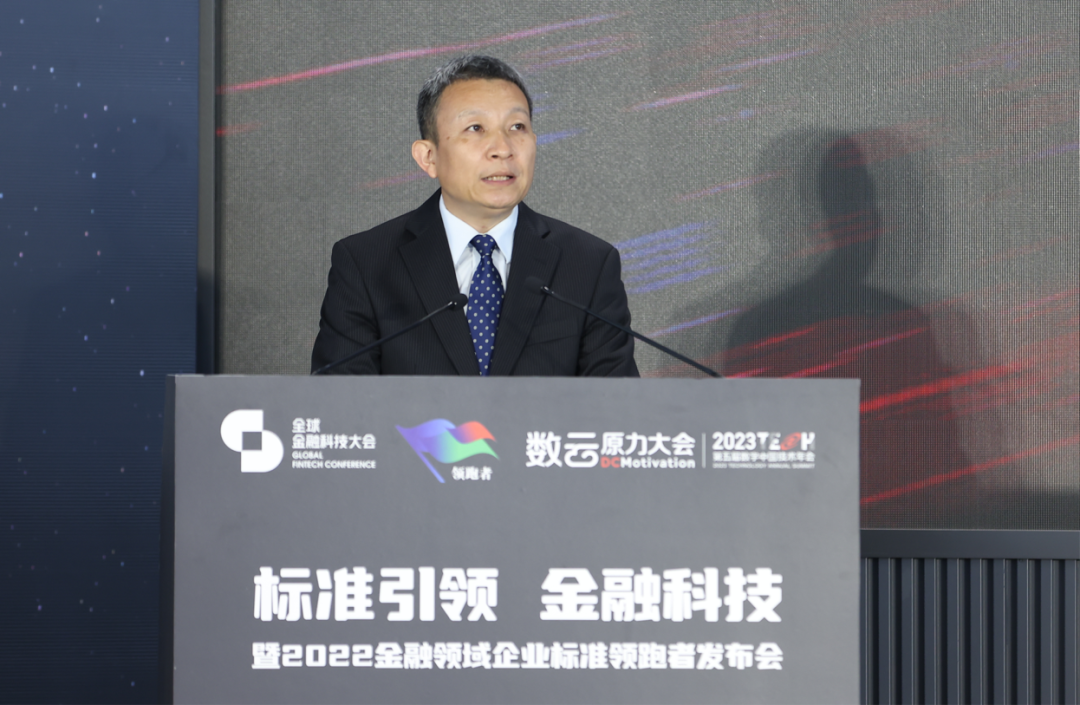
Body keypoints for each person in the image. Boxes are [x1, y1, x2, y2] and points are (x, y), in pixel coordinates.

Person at [311, 55, 638, 376]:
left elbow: (617, 404)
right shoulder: (366, 264)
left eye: (517, 127)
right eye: (476, 128)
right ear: (429, 157)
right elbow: (340, 402)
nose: (503, 149)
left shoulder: (588, 265)